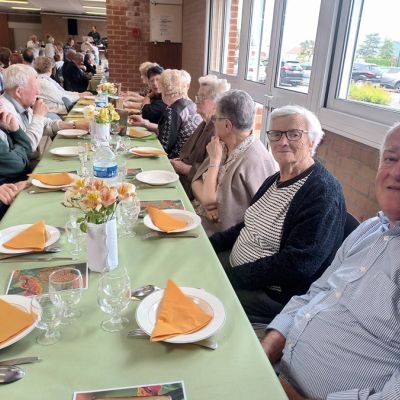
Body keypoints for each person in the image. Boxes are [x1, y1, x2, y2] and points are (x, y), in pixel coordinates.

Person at [260, 123, 400, 400]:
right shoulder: (369, 229)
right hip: (275, 370)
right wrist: (267, 348)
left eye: (293, 134)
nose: (395, 172)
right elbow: (318, 292)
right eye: (391, 158)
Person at [210, 105, 346, 322]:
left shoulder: (322, 192)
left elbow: (297, 265)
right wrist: (210, 244)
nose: (283, 142)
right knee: (193, 263)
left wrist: (230, 277)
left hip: (272, 294)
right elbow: (248, 225)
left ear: (312, 140)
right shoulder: (275, 179)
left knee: (199, 294)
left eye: (294, 134)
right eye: (276, 134)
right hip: (241, 272)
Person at [192, 89, 276, 235]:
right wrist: (207, 204)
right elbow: (196, 182)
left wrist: (214, 162)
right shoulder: (223, 145)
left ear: (227, 125)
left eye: (215, 118)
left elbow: (262, 218)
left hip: (221, 235)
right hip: (199, 216)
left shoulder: (255, 160)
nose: (213, 122)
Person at [0, 64, 88, 155]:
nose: (38, 92)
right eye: (35, 88)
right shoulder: (5, 112)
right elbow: (27, 147)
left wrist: (74, 125)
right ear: (19, 92)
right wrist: (38, 116)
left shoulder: (20, 104)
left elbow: (45, 124)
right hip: (27, 163)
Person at [171, 75, 230, 199]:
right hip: (184, 181)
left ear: (217, 102)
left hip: (195, 192)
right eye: (197, 96)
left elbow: (213, 170)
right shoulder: (205, 122)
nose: (196, 101)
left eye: (202, 97)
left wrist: (187, 169)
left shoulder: (217, 130)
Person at [130, 69, 202, 159]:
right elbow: (170, 133)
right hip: (191, 157)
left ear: (163, 90)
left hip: (176, 160)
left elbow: (163, 147)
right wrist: (146, 124)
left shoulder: (172, 111)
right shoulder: (190, 104)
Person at [0, 108, 32, 184]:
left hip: (19, 181)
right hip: (9, 186)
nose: (2, 104)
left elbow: (28, 150)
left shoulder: (2, 122)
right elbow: (18, 166)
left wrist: (16, 130)